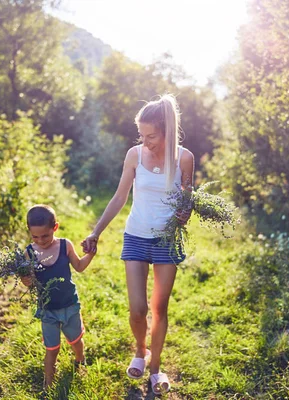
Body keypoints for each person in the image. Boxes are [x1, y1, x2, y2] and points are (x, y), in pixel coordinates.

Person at [81, 94, 194, 395]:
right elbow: (120, 197)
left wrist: (185, 212)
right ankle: (140, 351)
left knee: (159, 307)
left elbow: (187, 200)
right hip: (136, 236)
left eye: (151, 135)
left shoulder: (184, 158)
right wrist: (96, 231)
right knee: (137, 309)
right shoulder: (134, 155)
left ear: (166, 131)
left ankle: (155, 367)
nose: (145, 141)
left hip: (167, 241)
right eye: (141, 134)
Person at [20, 204, 96, 390]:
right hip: (47, 310)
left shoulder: (65, 245)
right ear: (29, 232)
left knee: (76, 340)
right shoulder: (29, 253)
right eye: (35, 236)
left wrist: (91, 255)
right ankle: (48, 384)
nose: (40, 240)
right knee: (51, 349)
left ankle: (80, 360)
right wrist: (24, 277)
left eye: (45, 235)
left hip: (69, 304)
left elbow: (78, 266)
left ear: (55, 227)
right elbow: (29, 283)